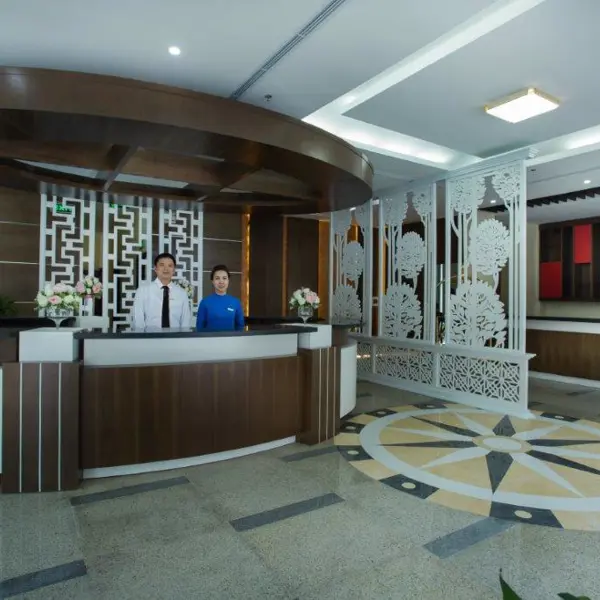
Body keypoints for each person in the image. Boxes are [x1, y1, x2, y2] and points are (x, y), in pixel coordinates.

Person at [132, 252, 191, 329]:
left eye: (170, 266)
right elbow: (138, 321)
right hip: (149, 335)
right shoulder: (142, 291)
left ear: (174, 270)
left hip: (175, 336)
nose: (166, 269)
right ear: (155, 269)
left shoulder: (182, 293)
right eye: (162, 265)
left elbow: (185, 321)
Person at [196, 264, 244, 331]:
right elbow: (199, 328)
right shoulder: (205, 302)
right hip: (210, 338)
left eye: (224, 278)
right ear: (212, 281)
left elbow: (240, 327)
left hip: (231, 338)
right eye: (217, 278)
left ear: (228, 280)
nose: (221, 282)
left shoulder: (236, 302)